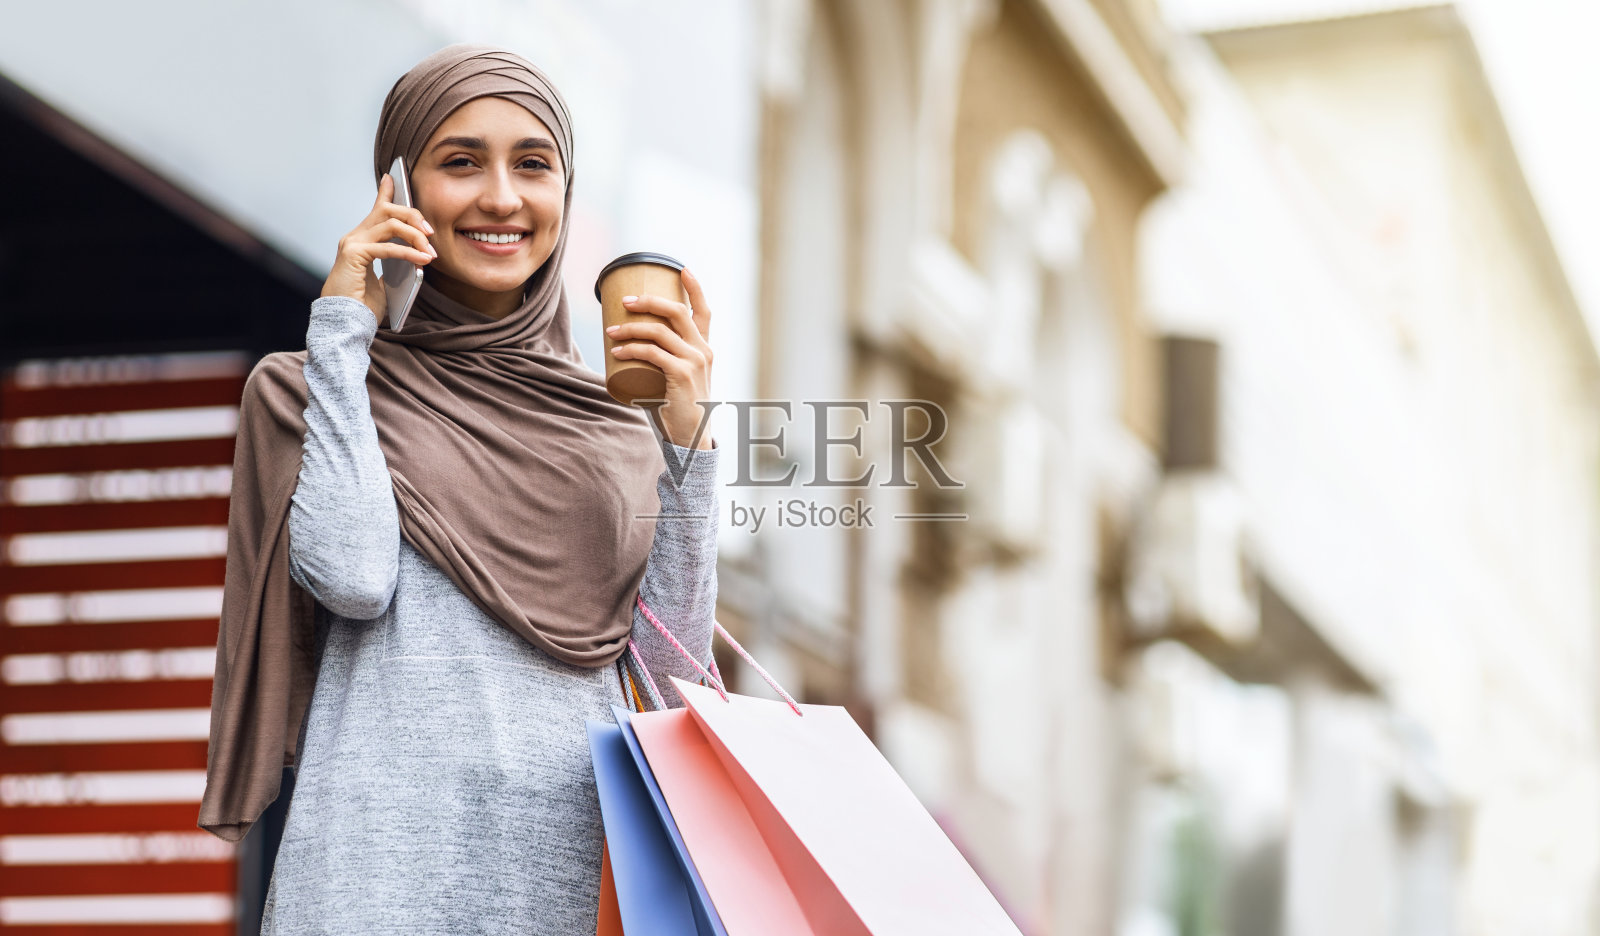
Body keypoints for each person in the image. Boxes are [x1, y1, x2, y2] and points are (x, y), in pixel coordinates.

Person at [197, 44, 722, 933]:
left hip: (566, 886)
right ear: (396, 187)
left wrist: (687, 442)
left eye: (533, 165)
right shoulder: (311, 389)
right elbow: (355, 577)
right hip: (374, 882)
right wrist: (341, 332)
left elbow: (674, 680)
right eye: (461, 161)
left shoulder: (611, 429)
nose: (502, 198)